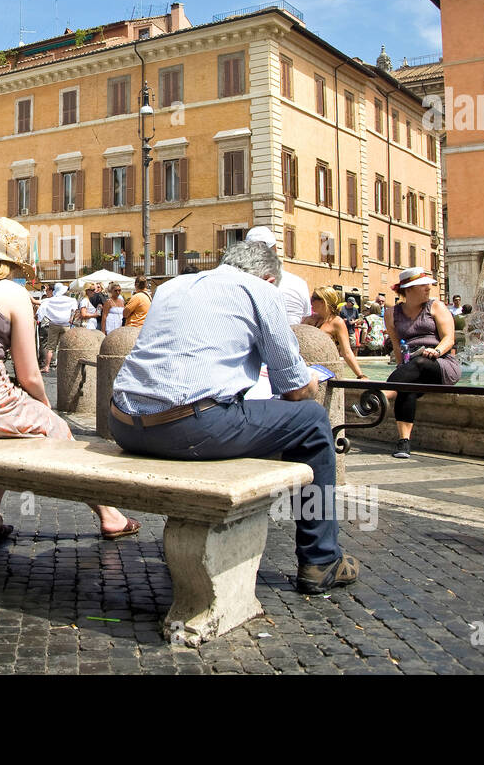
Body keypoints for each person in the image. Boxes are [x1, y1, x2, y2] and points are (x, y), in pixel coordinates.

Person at [108, 240, 358, 594]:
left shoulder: (173, 285)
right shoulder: (261, 292)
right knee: (313, 420)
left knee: (238, 413)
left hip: (123, 423)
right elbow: (294, 389)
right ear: (270, 279)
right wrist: (312, 379)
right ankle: (321, 559)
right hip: (187, 428)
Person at [0, 217, 138, 543]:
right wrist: (45, 405)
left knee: (7, 433)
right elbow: (29, 373)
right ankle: (109, 515)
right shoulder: (11, 292)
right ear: (14, 260)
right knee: (58, 429)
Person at [381, 267, 459, 459]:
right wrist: (402, 369)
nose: (428, 288)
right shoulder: (391, 313)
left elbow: (449, 338)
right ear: (408, 290)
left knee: (421, 361)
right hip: (412, 366)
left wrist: (437, 350)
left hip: (440, 363)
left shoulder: (436, 306)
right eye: (422, 285)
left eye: (428, 285)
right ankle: (403, 442)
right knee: (406, 388)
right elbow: (398, 348)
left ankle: (378, 397)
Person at [245, 225, 311, 324]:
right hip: (294, 337)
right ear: (275, 249)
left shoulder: (243, 284)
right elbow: (304, 318)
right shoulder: (299, 283)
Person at [303, 287, 367, 380]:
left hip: (325, 371)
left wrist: (360, 375)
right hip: (307, 368)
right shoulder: (308, 319)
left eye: (313, 299)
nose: (310, 302)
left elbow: (346, 352)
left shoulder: (337, 323)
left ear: (323, 301)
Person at [36, 283, 75, 373]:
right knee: (65, 346)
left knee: (50, 347)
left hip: (53, 324)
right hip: (66, 324)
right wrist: (71, 318)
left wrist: (38, 317)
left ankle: (46, 367)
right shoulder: (71, 300)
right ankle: (66, 366)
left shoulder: (50, 300)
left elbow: (38, 304)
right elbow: (73, 310)